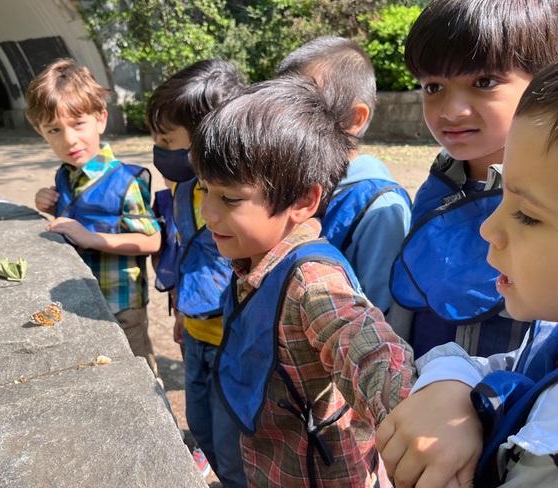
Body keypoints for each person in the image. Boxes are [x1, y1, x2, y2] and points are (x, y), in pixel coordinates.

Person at [191, 76, 416, 487]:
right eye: (205, 190)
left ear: (302, 201)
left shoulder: (313, 283)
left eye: (230, 198)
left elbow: (366, 348)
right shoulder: (252, 259)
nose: (208, 212)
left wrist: (416, 418)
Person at [376, 63, 558, 488]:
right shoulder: (439, 182)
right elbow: (521, 364)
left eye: (527, 217)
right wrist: (452, 385)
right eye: (434, 87)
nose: (487, 230)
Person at [388, 0, 558, 358]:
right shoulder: (439, 181)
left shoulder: (548, 196)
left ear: (545, 82)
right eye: (434, 87)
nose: (451, 111)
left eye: (483, 82)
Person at [146, 59, 247, 486]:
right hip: (196, 336)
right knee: (200, 423)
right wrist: (181, 314)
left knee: (232, 440)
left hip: (233, 344)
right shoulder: (182, 190)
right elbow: (186, 253)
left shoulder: (243, 199)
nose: (157, 150)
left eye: (166, 140)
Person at [27, 59, 161, 374]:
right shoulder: (66, 176)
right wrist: (48, 204)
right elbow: (74, 216)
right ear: (40, 131)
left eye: (78, 124)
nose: (69, 140)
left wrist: (90, 238)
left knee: (135, 370)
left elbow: (152, 239)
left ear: (100, 119)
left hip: (120, 303)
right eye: (54, 130)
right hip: (79, 299)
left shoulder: (125, 181)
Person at [276, 36, 412, 313]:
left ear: (354, 119)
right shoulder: (292, 180)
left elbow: (382, 318)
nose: (286, 116)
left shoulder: (382, 208)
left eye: (306, 104)